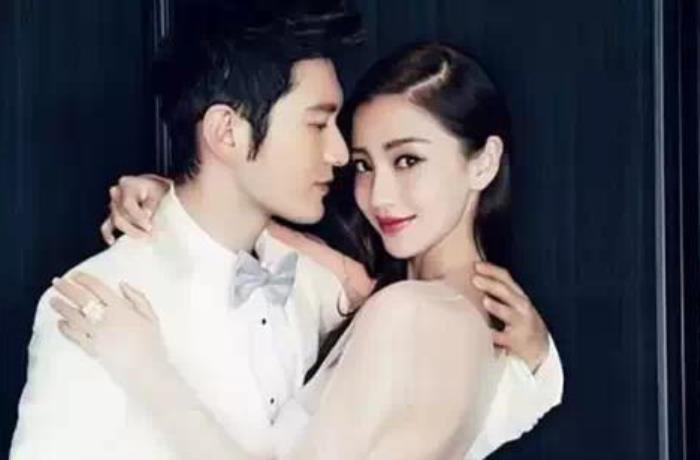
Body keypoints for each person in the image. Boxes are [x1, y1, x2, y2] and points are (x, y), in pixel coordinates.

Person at [51, 42, 563, 459]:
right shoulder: (476, 325)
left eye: (408, 160)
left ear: (483, 162)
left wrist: (145, 368)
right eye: (363, 165)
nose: (380, 195)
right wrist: (175, 197)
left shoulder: (413, 312)